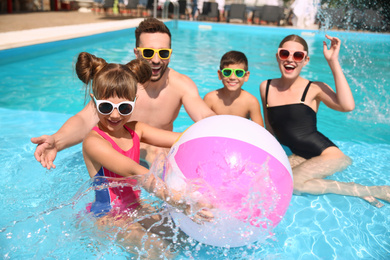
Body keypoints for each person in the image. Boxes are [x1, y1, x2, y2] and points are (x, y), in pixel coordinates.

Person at [76, 52, 213, 258]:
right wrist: (181, 202)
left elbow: (183, 138)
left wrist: (215, 136)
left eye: (124, 107)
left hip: (136, 206)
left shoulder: (136, 129)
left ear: (134, 101)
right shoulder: (94, 142)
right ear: (94, 102)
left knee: (186, 238)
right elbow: (136, 172)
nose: (115, 115)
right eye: (106, 106)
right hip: (109, 216)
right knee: (160, 253)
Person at [31, 18, 215, 170]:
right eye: (149, 52)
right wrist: (57, 140)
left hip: (160, 165)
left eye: (163, 53)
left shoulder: (181, 85)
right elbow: (85, 119)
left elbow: (205, 117)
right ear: (136, 53)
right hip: (121, 163)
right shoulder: (122, 82)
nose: (156, 60)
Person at [259, 34, 390, 207]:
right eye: (285, 54)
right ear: (278, 56)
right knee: (265, 180)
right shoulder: (266, 87)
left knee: (296, 185)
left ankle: (370, 190)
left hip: (328, 156)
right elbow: (270, 128)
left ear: (305, 60)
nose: (290, 59)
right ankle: (352, 189)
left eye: (298, 55)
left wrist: (333, 61)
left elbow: (347, 106)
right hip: (300, 156)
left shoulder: (314, 88)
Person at [204, 51, 264, 126]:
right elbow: (200, 126)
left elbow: (260, 132)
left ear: (246, 76)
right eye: (227, 72)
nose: (232, 77)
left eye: (239, 73)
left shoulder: (251, 102)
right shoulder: (210, 99)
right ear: (220, 74)